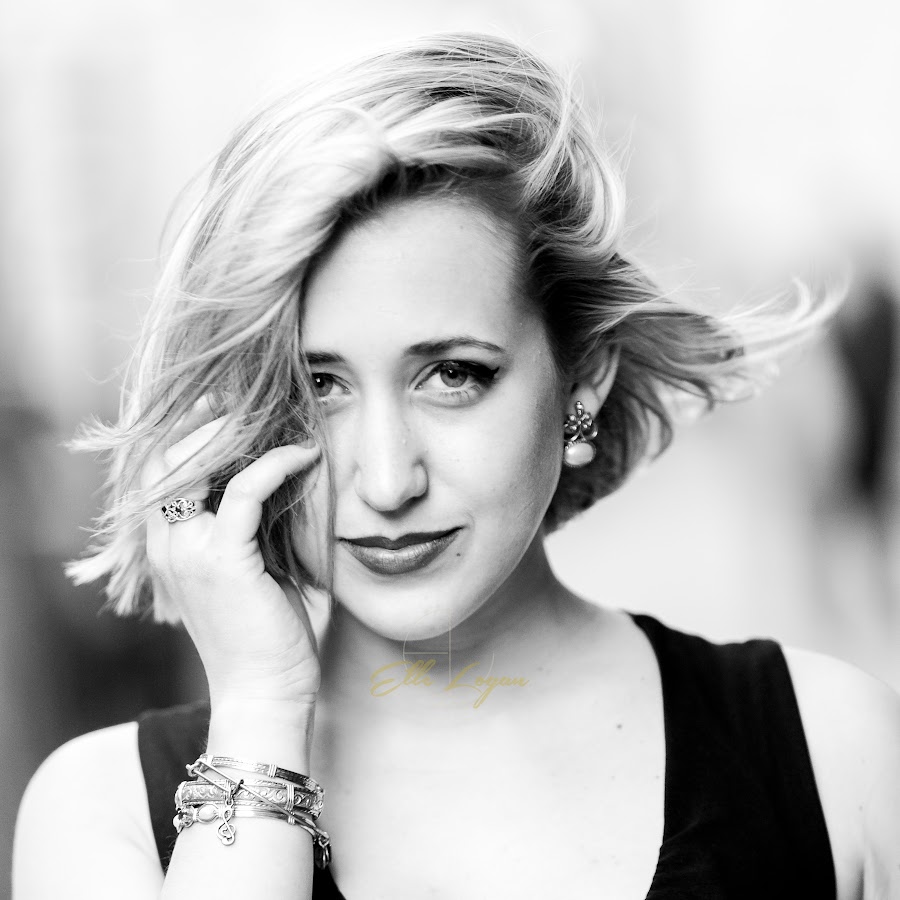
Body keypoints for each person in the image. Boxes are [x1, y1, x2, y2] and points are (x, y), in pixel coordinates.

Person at [12, 31, 900, 900]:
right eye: (317, 386)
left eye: (453, 376)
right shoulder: (101, 813)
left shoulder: (839, 754)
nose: (388, 480)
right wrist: (260, 709)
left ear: (582, 378)